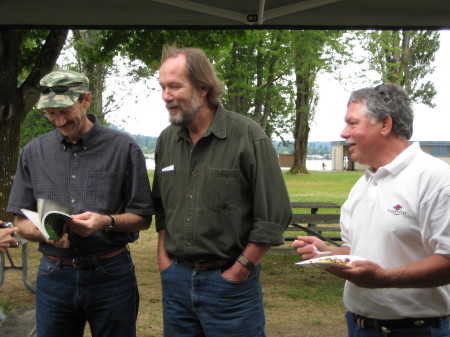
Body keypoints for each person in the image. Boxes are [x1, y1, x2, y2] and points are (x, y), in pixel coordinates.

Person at [152, 45, 293, 337]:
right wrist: (164, 261)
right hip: (176, 283)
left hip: (230, 287)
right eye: (163, 87)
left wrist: (240, 269)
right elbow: (162, 210)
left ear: (203, 88)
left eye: (175, 86)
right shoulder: (167, 141)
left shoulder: (248, 136)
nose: (166, 96)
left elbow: (274, 215)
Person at [293, 83, 450, 337]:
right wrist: (328, 253)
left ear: (385, 125)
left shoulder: (435, 178)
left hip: (416, 331)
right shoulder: (363, 184)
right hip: (359, 326)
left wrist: (384, 278)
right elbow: (360, 250)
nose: (344, 133)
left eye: (353, 123)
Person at [7, 70, 154, 337]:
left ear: (86, 99)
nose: (59, 120)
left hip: (112, 274)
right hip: (54, 276)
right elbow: (19, 220)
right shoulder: (33, 152)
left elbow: (143, 217)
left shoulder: (123, 148)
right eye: (50, 113)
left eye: (64, 110)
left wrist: (106, 222)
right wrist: (44, 233)